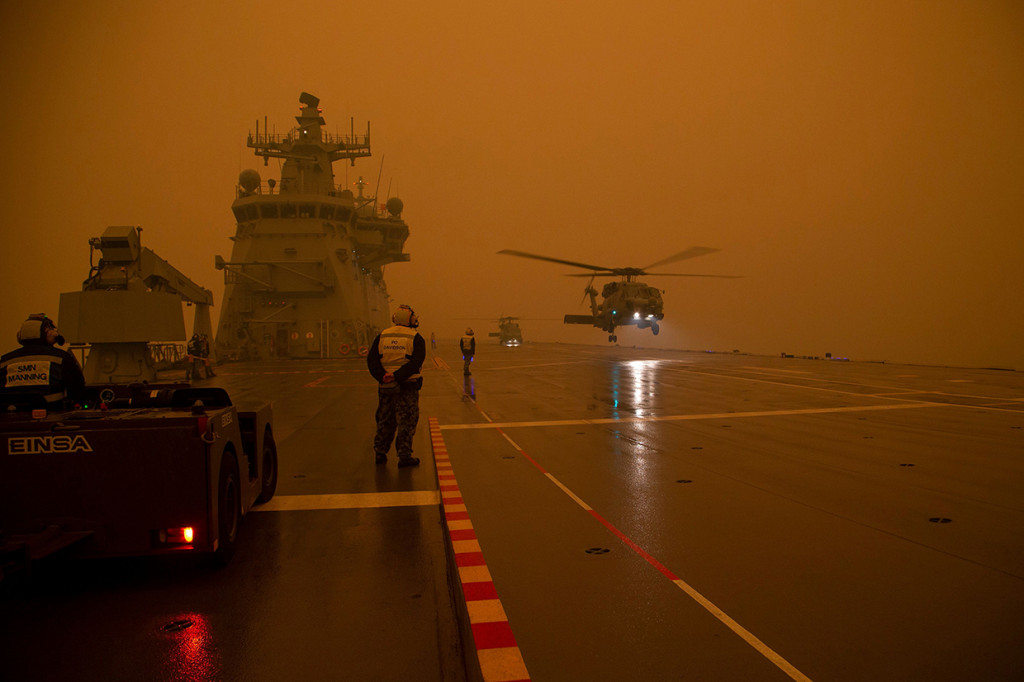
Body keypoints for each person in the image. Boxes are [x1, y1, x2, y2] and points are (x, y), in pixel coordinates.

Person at [367, 304, 426, 467]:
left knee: (385, 419)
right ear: (410, 319)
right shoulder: (415, 338)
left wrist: (383, 376)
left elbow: (372, 360)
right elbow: (416, 363)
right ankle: (404, 455)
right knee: (406, 420)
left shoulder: (382, 336)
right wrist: (398, 376)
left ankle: (380, 452)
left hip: (386, 387)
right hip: (408, 386)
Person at [0, 313, 86, 410]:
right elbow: (77, 389)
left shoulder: (5, 361)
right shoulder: (61, 358)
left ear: (20, 336)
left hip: (11, 418)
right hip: (52, 417)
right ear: (50, 335)